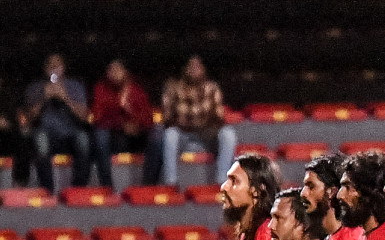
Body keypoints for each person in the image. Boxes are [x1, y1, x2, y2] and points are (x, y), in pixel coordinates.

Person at [155, 55, 236, 186]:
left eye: (197, 67)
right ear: (185, 69)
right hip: (183, 136)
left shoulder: (212, 88)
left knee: (228, 134)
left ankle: (222, 181)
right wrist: (195, 120)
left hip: (207, 136)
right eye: (191, 67)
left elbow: (218, 117)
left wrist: (193, 120)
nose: (194, 70)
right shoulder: (173, 88)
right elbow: (168, 118)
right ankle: (171, 183)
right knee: (170, 134)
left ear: (203, 69)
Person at [23, 53, 91, 191]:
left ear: (63, 67)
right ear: (45, 69)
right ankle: (47, 190)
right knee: (40, 141)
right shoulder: (35, 87)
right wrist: (43, 97)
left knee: (83, 140)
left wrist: (65, 98)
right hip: (46, 133)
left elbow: (84, 117)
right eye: (50, 65)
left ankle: (78, 189)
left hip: (70, 133)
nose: (54, 67)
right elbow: (28, 120)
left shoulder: (75, 86)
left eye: (57, 64)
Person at [89, 60, 153, 189]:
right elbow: (98, 118)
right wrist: (121, 122)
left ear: (125, 72)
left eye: (118, 70)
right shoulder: (101, 89)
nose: (114, 74)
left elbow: (148, 119)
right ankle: (107, 186)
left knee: (157, 132)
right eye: (110, 70)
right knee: (100, 135)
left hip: (135, 136)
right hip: (113, 135)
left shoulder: (136, 91)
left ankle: (149, 184)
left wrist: (135, 122)